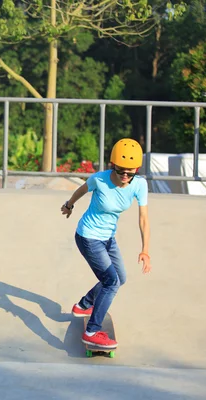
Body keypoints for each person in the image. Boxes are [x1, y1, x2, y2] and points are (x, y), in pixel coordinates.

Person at [60, 138, 151, 349]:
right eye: (121, 171)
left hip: (108, 238)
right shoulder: (100, 180)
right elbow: (81, 190)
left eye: (130, 172)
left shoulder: (139, 184)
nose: (125, 177)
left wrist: (145, 249)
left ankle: (84, 304)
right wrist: (69, 205)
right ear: (113, 166)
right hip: (88, 237)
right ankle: (92, 331)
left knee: (121, 278)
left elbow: (143, 218)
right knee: (111, 282)